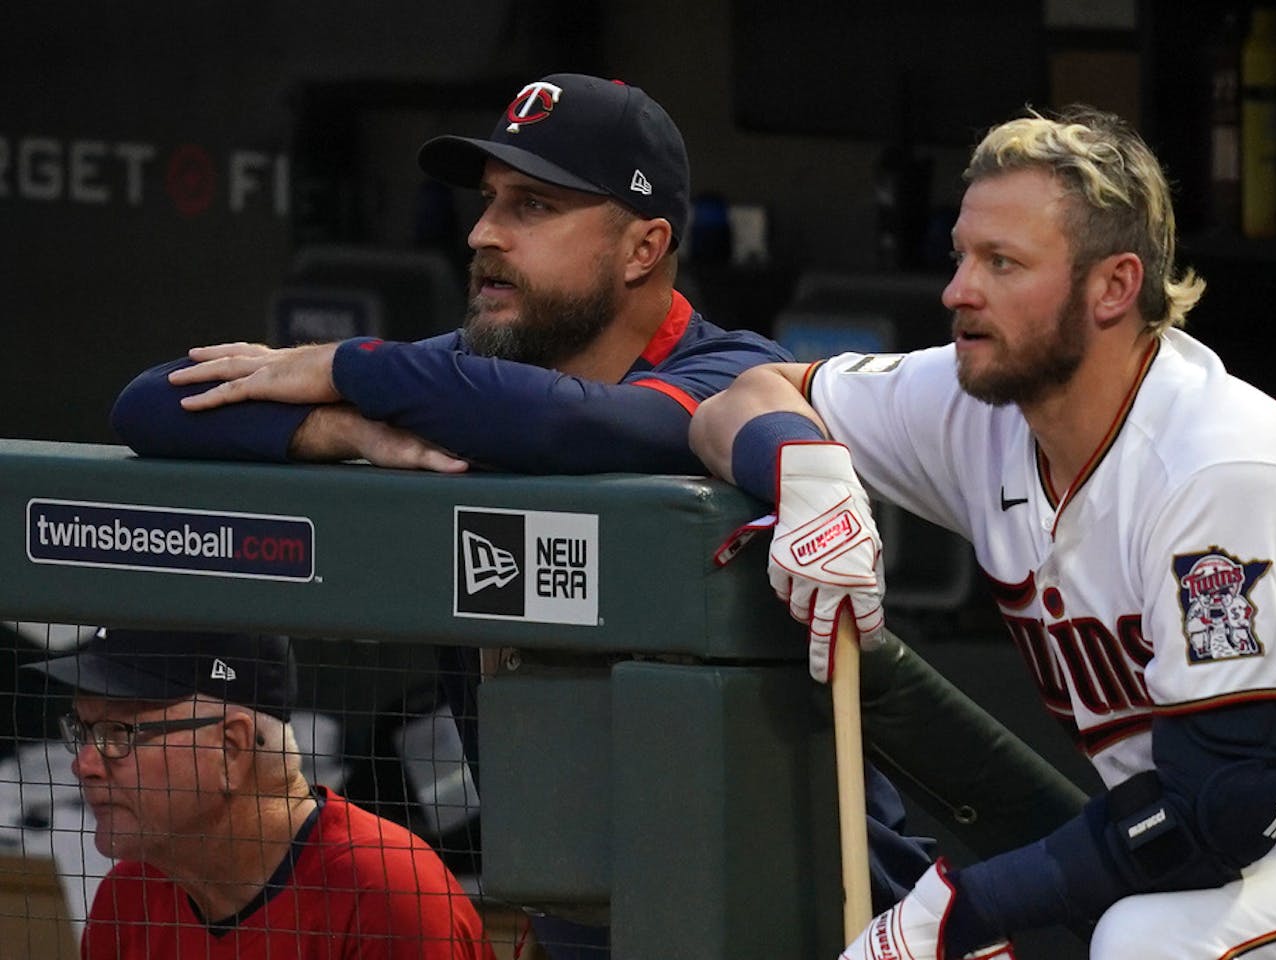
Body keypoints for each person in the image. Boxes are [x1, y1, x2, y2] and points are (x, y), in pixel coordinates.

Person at [106, 73, 1088, 956]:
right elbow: (151, 401)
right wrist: (343, 431)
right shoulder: (461, 384)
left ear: (643, 247)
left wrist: (349, 368)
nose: (486, 233)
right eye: (487, 204)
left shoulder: (730, 375)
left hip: (800, 907)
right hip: (585, 911)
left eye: (532, 206)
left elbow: (582, 430)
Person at [690, 104, 1276, 959]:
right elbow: (740, 396)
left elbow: (1219, 809)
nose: (957, 291)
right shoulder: (977, 401)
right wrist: (805, 475)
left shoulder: (1220, 468)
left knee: (1147, 944)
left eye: (1002, 263)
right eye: (961, 257)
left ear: (1114, 286)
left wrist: (967, 910)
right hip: (1252, 866)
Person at [22, 627, 496, 959]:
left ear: (231, 748)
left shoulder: (389, 897)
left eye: (118, 734)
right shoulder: (128, 901)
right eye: (82, 731)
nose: (83, 764)